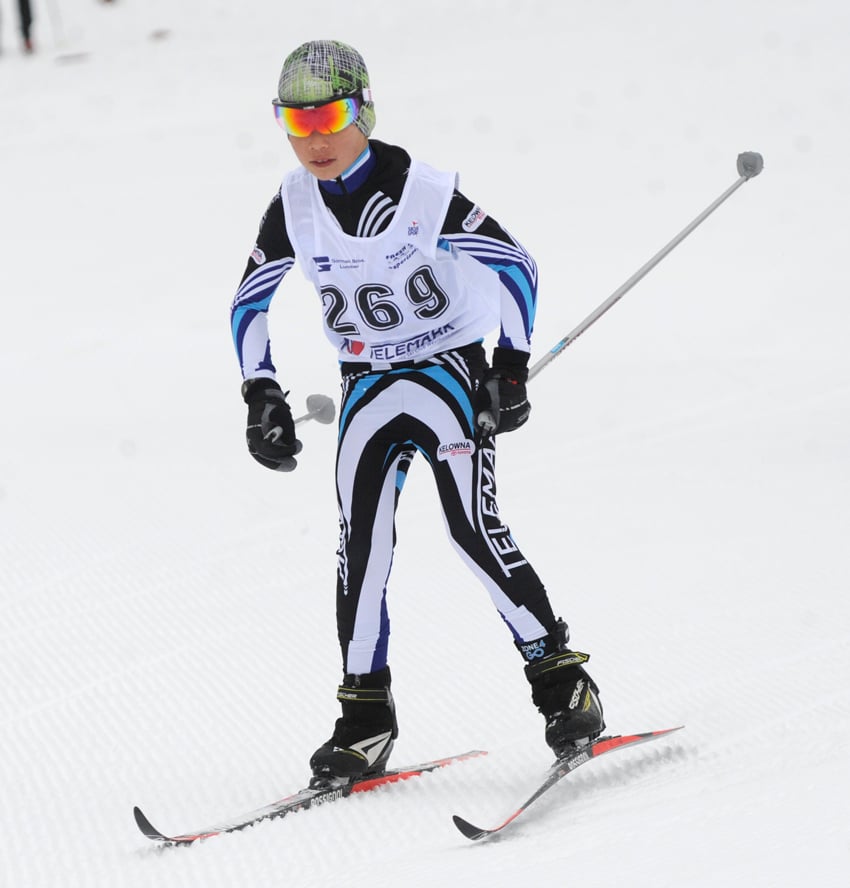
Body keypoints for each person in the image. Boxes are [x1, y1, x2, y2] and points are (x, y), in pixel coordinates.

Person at [230, 40, 604, 782]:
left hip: (449, 376)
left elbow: (515, 264)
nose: (317, 139)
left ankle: (565, 686)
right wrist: (261, 391)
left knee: (472, 531)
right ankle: (365, 719)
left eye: (331, 116)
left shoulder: (423, 192)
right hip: (366, 384)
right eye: (296, 122)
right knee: (358, 549)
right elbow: (250, 299)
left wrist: (511, 363)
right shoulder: (294, 204)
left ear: (363, 110)